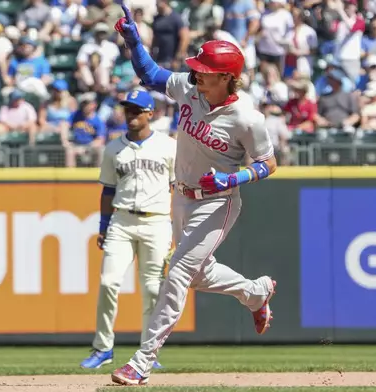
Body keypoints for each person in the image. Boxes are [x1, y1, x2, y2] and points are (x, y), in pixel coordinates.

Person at [110, 5, 277, 386]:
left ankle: (141, 361)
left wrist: (233, 179)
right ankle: (256, 293)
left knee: (179, 272)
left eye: (203, 71)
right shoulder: (190, 87)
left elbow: (270, 163)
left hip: (218, 201)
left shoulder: (248, 118)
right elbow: (150, 75)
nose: (195, 74)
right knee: (199, 275)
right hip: (181, 196)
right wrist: (133, 41)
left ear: (225, 78)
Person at [80, 89, 176, 371]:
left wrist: (177, 227)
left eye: (137, 110)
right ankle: (103, 348)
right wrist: (103, 226)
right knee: (109, 282)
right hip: (121, 221)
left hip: (156, 221)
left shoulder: (168, 146)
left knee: (152, 290)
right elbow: (108, 190)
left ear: (150, 113)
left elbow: (177, 189)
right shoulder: (113, 148)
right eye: (128, 110)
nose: (131, 114)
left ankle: (149, 352)